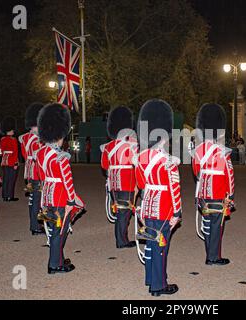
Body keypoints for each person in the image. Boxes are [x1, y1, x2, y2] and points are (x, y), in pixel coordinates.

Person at [134, 99, 182, 297]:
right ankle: (159, 285)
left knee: (151, 244)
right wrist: (177, 213)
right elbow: (174, 189)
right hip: (163, 207)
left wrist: (143, 208)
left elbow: (141, 185)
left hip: (148, 205)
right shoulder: (168, 161)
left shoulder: (140, 158)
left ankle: (150, 280)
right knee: (161, 246)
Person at [36, 103, 85, 274]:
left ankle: (59, 258)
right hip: (60, 197)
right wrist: (71, 201)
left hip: (48, 195)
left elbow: (42, 177)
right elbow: (67, 180)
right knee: (59, 232)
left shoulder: (41, 153)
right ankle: (55, 265)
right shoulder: (60, 156)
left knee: (55, 230)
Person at [192, 103, 235, 265]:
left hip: (203, 192)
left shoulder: (197, 151)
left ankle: (209, 253)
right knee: (217, 226)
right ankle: (213, 257)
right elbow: (229, 175)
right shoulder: (222, 151)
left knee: (208, 223)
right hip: (218, 192)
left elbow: (196, 172)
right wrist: (230, 195)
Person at [100, 106, 137, 248]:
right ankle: (122, 241)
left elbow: (104, 165)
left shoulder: (108, 146)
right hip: (127, 180)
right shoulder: (131, 143)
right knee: (124, 212)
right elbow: (136, 162)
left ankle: (121, 238)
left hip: (114, 181)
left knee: (120, 210)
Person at [19, 103, 45, 235]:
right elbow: (40, 157)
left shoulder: (25, 138)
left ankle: (34, 224)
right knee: (37, 200)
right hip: (37, 172)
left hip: (28, 171)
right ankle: (35, 226)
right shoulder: (37, 139)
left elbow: (24, 155)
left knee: (32, 199)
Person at [0, 117, 19, 201]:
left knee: (6, 179)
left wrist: (2, 158)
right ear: (10, 130)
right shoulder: (13, 139)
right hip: (11, 161)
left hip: (4, 161)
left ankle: (4, 196)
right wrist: (15, 163)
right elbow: (15, 152)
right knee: (11, 180)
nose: (13, 132)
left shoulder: (2, 139)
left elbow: (0, 150)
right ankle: (10, 196)